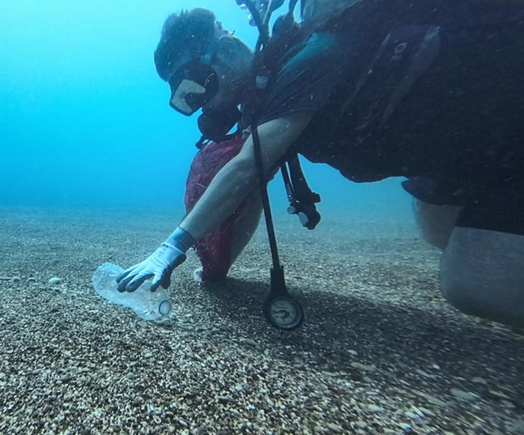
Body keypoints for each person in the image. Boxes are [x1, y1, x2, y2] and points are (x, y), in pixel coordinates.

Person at [116, 0, 524, 327]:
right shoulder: (268, 101)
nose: (201, 103)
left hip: (508, 128)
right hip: (467, 156)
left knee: (471, 284)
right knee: (436, 225)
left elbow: (244, 169)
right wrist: (216, 270)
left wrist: (172, 247)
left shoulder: (310, 56)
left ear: (223, 49)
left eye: (195, 85)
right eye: (186, 100)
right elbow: (251, 185)